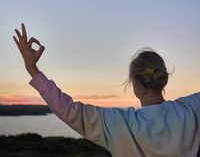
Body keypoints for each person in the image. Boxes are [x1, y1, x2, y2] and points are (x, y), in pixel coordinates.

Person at [13, 23, 200, 157]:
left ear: (134, 82)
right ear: (163, 79)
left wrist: (32, 69)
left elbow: (68, 109)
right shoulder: (190, 109)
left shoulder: (118, 124)